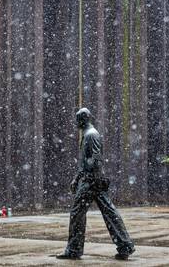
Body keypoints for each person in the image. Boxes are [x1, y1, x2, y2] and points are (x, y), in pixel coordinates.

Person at [56, 108, 135, 260]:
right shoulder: (87, 134)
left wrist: (91, 180)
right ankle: (125, 245)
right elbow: (85, 161)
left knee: (77, 214)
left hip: (91, 180)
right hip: (90, 179)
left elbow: (96, 159)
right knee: (109, 212)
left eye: (78, 119)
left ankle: (74, 250)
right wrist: (77, 178)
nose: (76, 122)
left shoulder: (91, 135)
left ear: (83, 119)